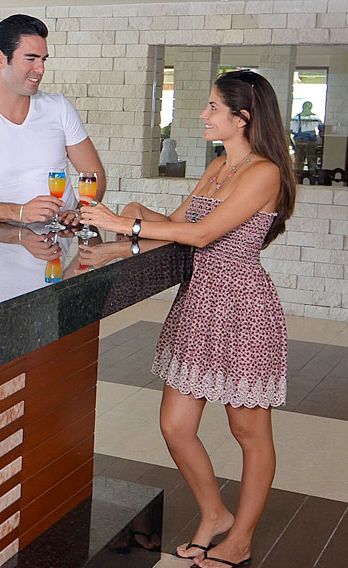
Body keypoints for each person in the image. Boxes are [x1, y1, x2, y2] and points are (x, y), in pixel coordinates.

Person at [79, 70, 297, 568]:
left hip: (243, 309)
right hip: (198, 304)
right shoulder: (219, 166)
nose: (204, 114)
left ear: (243, 118)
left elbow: (202, 236)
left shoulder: (264, 173)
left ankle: (240, 540)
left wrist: (124, 222)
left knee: (248, 431)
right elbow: (177, 226)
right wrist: (120, 233)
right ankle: (215, 514)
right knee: (175, 426)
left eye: (214, 107)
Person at [0, 14, 106, 226]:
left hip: (60, 239)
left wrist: (81, 212)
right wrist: (20, 212)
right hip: (0, 241)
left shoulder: (59, 107)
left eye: (43, 59)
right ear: (0, 59)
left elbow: (94, 174)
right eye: (31, 59)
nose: (41, 69)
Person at [290, 100, 322, 172]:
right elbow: (321, 128)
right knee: (312, 160)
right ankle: (312, 175)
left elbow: (292, 130)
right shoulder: (315, 117)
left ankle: (298, 175)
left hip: (299, 141)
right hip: (311, 141)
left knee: (299, 161)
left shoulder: (297, 117)